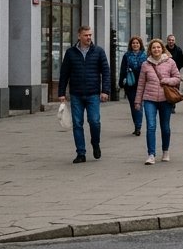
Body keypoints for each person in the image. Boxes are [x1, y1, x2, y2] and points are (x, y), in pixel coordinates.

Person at [58, 25, 111, 163]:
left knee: (94, 121)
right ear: (79, 36)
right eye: (86, 35)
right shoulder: (70, 53)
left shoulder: (98, 51)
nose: (89, 37)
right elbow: (64, 74)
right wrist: (61, 92)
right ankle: (81, 153)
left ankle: (95, 143)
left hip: (93, 94)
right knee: (77, 123)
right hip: (76, 94)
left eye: (90, 35)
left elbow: (105, 71)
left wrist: (105, 90)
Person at [135, 38, 181, 164]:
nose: (156, 49)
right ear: (150, 50)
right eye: (154, 47)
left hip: (165, 99)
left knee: (165, 127)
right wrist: (137, 101)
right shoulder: (145, 64)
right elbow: (141, 84)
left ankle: (165, 151)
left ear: (162, 49)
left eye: (158, 47)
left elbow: (177, 78)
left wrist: (167, 81)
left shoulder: (170, 62)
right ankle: (151, 154)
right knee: (150, 126)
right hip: (149, 99)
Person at [118, 35, 148, 136]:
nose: (135, 45)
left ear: (140, 44)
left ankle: (138, 126)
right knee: (133, 105)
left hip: (142, 83)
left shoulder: (145, 55)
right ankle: (136, 125)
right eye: (133, 43)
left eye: (137, 43)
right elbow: (122, 70)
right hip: (130, 84)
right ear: (131, 45)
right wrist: (121, 82)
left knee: (138, 105)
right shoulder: (126, 56)